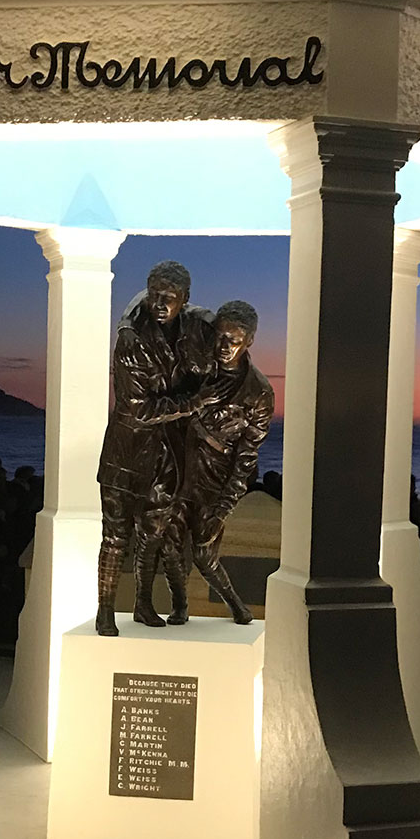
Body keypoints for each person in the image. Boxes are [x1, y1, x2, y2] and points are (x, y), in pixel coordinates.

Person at [94, 261, 213, 636]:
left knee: (153, 536)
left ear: (185, 301)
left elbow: (219, 326)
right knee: (115, 537)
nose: (161, 303)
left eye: (170, 298)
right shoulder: (130, 341)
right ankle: (105, 612)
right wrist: (194, 402)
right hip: (126, 454)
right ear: (147, 293)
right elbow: (139, 409)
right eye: (155, 295)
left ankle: (143, 604)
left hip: (166, 459)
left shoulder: (191, 327)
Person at [160, 300, 275, 627]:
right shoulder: (195, 370)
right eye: (220, 337)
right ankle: (179, 605)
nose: (224, 346)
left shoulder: (259, 392)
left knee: (204, 555)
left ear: (249, 341)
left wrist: (224, 506)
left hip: (214, 476)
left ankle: (237, 607)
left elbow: (248, 455)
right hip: (179, 465)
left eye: (234, 340)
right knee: (169, 546)